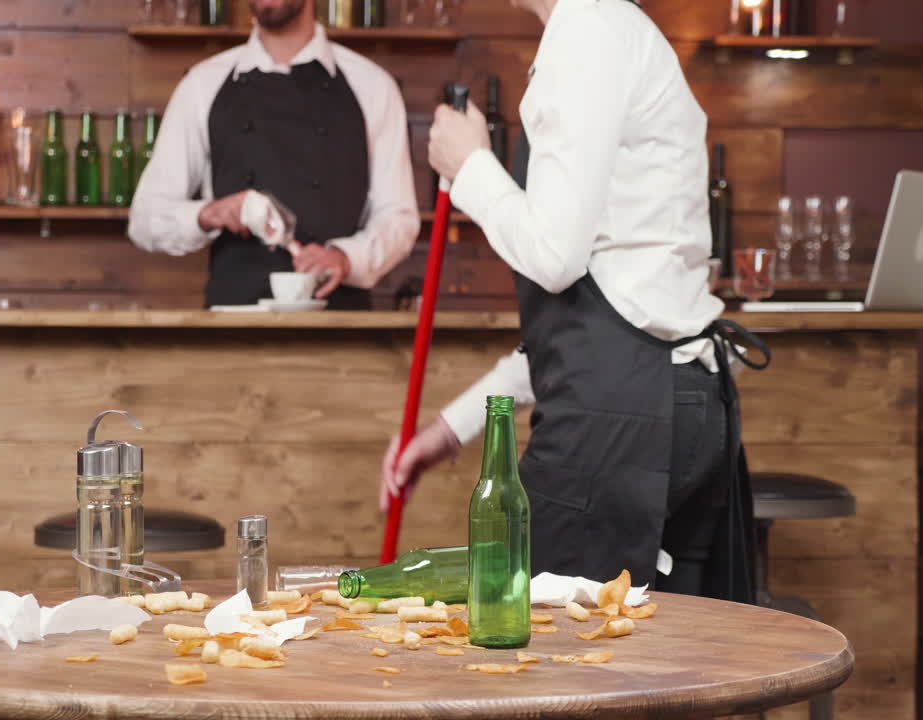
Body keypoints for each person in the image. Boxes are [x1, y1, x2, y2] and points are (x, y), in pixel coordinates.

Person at [380, 0, 768, 601]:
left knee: (547, 660)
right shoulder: (609, 29)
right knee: (661, 672)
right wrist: (450, 430)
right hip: (673, 398)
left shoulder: (587, 28)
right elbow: (592, 324)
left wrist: (471, 165)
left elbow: (555, 259)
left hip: (624, 416)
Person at [128, 0, 418, 309]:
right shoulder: (202, 85)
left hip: (341, 330)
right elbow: (145, 219)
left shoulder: (373, 87)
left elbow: (398, 217)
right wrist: (207, 214)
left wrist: (346, 257)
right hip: (230, 329)